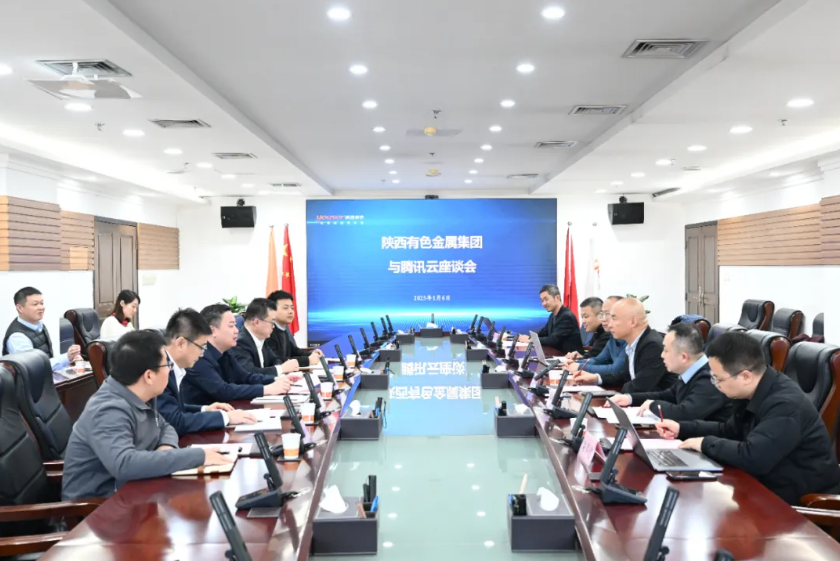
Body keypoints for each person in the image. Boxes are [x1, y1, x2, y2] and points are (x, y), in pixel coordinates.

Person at [655, 331, 840, 505]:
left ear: (745, 376)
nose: (715, 385)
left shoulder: (786, 405)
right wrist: (682, 428)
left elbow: (753, 457)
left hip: (797, 506)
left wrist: (704, 443)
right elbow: (729, 430)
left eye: (718, 379)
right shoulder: (751, 392)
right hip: (763, 489)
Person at [61, 330, 234, 500]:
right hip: (99, 507)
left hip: (136, 492)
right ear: (149, 376)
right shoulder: (107, 409)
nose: (170, 371)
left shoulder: (142, 394)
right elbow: (125, 464)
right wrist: (199, 456)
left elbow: (165, 427)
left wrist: (166, 449)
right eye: (167, 365)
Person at [158, 308, 258, 436]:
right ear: (181, 343)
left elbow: (177, 408)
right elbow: (174, 421)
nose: (202, 354)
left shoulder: (173, 366)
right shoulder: (159, 369)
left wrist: (205, 409)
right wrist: (226, 418)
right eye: (201, 347)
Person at [609, 323, 731, 422]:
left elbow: (686, 413)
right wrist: (629, 398)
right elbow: (666, 395)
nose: (662, 355)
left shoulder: (709, 378)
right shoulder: (690, 372)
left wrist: (653, 405)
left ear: (683, 357)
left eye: (666, 351)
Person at [180, 304, 294, 406]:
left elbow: (245, 377)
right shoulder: (199, 356)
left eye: (235, 325)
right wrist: (266, 389)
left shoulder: (226, 352)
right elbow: (223, 391)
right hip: (201, 418)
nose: (236, 330)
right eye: (231, 326)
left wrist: (277, 379)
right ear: (212, 330)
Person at [572, 298, 672, 393]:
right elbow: (626, 376)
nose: (609, 324)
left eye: (614, 319)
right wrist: (596, 378)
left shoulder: (651, 345)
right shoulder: (634, 342)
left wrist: (619, 392)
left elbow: (639, 387)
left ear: (633, 322)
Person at [3, 286, 81, 375]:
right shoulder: (17, 337)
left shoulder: (39, 325)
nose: (41, 307)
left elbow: (47, 358)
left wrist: (70, 360)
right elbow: (34, 368)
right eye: (35, 304)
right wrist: (66, 358)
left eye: (42, 303)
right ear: (20, 308)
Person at [229, 298, 299, 375]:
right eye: (272, 322)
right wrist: (281, 369)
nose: (273, 326)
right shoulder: (239, 343)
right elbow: (249, 373)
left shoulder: (261, 338)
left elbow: (275, 360)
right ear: (257, 322)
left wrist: (282, 369)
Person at [565, 296, 627, 378]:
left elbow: (616, 369)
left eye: (608, 314)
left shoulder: (628, 339)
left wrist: (579, 366)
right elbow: (598, 360)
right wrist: (575, 363)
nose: (603, 319)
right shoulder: (612, 337)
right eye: (602, 314)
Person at [518, 284, 583, 355]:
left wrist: (531, 340)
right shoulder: (552, 316)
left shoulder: (566, 316)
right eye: (542, 301)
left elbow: (553, 340)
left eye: (546, 299)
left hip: (570, 357)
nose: (544, 304)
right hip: (557, 355)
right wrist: (528, 338)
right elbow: (543, 333)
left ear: (557, 298)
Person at [266, 290, 323, 366]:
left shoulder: (283, 330)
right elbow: (276, 360)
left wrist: (312, 354)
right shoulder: (267, 332)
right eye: (285, 308)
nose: (291, 311)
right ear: (272, 310)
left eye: (292, 308)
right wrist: (307, 360)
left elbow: (294, 351)